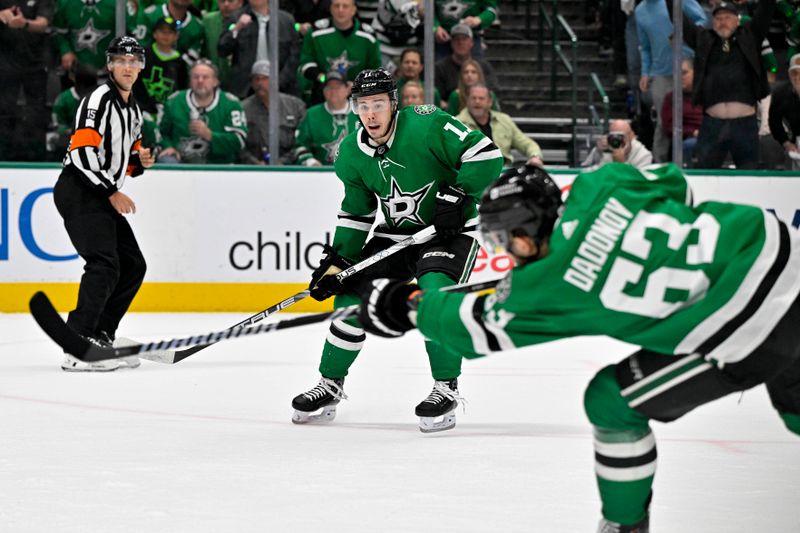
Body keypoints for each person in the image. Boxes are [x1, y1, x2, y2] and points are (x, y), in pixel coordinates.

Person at [357, 161, 800, 532]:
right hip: (784, 251)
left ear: (526, 231)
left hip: (752, 321)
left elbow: (475, 330)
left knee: (610, 402)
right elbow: (675, 185)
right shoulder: (601, 184)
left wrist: (408, 303)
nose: (506, 252)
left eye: (505, 239)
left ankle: (624, 524)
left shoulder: (545, 287)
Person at [291, 68, 503, 433]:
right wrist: (339, 262)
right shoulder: (350, 154)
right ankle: (331, 383)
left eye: (377, 104)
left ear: (392, 105)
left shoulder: (427, 123)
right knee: (348, 299)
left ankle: (445, 388)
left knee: (434, 296)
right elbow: (357, 213)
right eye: (362, 106)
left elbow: (488, 156)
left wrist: (458, 193)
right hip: (395, 237)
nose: (370, 114)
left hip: (448, 232)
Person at [53, 36, 156, 372]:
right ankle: (78, 343)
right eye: (121, 60)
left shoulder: (134, 110)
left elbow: (126, 162)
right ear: (110, 65)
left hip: (100, 191)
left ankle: (100, 335)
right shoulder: (98, 100)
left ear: (141, 67)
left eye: (134, 61)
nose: (128, 67)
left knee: (133, 264)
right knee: (103, 263)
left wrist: (141, 160)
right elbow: (81, 155)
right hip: (80, 189)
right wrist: (112, 191)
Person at [683, 0, 776, 169]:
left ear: (737, 20)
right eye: (718, 18)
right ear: (712, 22)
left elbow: (766, 9)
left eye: (727, 17)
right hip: (712, 125)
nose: (722, 21)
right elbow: (680, 22)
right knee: (705, 176)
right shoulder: (704, 39)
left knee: (750, 176)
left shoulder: (750, 36)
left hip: (744, 124)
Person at [635, 0, 707, 162]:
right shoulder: (640, 11)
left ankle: (695, 161)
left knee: (696, 114)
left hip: (688, 63)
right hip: (660, 70)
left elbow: (702, 20)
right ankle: (658, 165)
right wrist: (645, 72)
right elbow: (644, 46)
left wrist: (683, 33)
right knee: (663, 122)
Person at [158, 59, 247, 164]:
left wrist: (210, 135)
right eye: (196, 77)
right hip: (182, 163)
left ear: (215, 81)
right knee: (166, 160)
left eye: (205, 77)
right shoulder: (174, 101)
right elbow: (160, 132)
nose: (200, 80)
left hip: (221, 166)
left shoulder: (231, 104)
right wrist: (168, 146)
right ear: (190, 81)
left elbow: (239, 140)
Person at [297, 0, 382, 105]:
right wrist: (325, 79)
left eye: (345, 6)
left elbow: (375, 70)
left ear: (353, 10)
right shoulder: (316, 32)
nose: (340, 10)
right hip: (323, 92)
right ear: (331, 8)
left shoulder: (368, 37)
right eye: (336, 6)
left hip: (358, 96)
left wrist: (357, 85)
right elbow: (306, 63)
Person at [0, 0, 53, 162]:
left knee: (36, 112)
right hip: (5, 63)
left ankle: (36, 158)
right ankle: (3, 156)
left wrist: (24, 23)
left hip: (34, 63)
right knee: (4, 110)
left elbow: (43, 23)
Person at [218, 0, 299, 99]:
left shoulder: (286, 20)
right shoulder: (236, 18)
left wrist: (279, 81)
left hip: (281, 88)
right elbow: (222, 50)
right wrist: (237, 28)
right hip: (245, 88)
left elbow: (294, 56)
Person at [456, 83, 541, 165]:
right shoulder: (457, 123)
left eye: (481, 98)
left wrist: (535, 156)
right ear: (467, 101)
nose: (477, 101)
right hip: (470, 173)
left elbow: (526, 143)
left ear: (490, 102)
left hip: (502, 172)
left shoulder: (504, 120)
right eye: (473, 98)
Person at [241, 59, 306, 164]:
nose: (260, 83)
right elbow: (239, 144)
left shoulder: (296, 106)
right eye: (256, 79)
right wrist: (254, 163)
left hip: (290, 169)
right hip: (253, 170)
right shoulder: (242, 108)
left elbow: (303, 141)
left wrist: (283, 162)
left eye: (265, 78)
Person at [293, 69, 358, 165]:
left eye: (337, 87)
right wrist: (310, 161)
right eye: (329, 87)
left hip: (357, 175)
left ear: (347, 89)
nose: (333, 91)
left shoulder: (360, 113)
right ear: (323, 91)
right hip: (320, 175)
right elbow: (299, 145)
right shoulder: (311, 115)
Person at [434, 23, 497, 105]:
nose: (460, 42)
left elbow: (492, 90)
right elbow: (437, 96)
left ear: (471, 43)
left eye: (464, 39)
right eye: (456, 39)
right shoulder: (440, 68)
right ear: (451, 43)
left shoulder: (484, 66)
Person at [134, 0, 205, 66]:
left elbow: (192, 59)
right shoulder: (150, 15)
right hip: (147, 70)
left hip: (179, 75)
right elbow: (140, 49)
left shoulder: (198, 26)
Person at [660, 57, 704, 165]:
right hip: (685, 139)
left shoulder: (707, 94)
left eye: (684, 73)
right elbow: (669, 126)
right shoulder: (671, 98)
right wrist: (692, 132)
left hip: (708, 135)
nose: (680, 77)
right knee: (690, 145)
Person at [433, 0, 499, 60]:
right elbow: (427, 10)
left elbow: (491, 10)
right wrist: (436, 27)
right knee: (440, 70)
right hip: (443, 37)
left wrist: (478, 19)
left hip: (471, 36)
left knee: (476, 69)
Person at [200, 0, 244, 88]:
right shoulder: (207, 21)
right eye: (222, 1)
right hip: (213, 81)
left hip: (242, 82)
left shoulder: (249, 19)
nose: (226, 4)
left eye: (231, 1)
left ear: (240, 2)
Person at [582, 118, 653, 169]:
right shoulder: (607, 148)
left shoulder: (644, 155)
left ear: (632, 136)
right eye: (613, 136)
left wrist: (622, 163)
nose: (616, 141)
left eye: (621, 136)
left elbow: (639, 183)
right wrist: (598, 151)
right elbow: (586, 167)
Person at [769, 53, 800, 169]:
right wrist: (786, 143)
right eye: (794, 73)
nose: (797, 78)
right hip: (796, 143)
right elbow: (774, 122)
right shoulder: (781, 94)